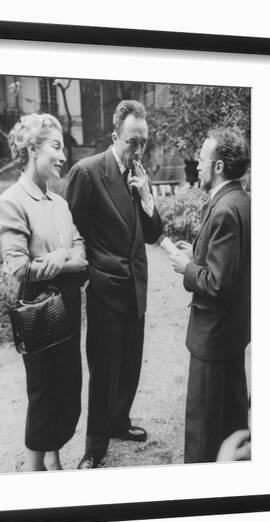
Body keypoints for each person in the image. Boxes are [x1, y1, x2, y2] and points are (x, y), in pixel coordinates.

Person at [66, 100, 162, 469]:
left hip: (136, 287)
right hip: (107, 290)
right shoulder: (88, 172)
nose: (138, 150)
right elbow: (72, 230)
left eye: (144, 142)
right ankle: (94, 446)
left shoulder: (139, 175)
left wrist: (147, 198)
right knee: (104, 369)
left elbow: (152, 234)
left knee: (130, 364)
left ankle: (119, 422)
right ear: (114, 136)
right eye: (132, 142)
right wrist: (92, 272)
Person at [0, 113, 88, 471]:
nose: (64, 155)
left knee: (67, 391)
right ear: (33, 148)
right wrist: (66, 260)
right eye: (57, 145)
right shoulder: (11, 201)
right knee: (44, 395)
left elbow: (82, 255)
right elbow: (18, 266)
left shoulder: (61, 203)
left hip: (67, 305)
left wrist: (61, 256)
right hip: (38, 309)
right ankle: (35, 476)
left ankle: (54, 457)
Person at [170, 127, 251, 463]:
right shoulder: (242, 201)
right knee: (232, 421)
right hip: (232, 336)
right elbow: (231, 267)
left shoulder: (223, 210)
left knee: (203, 433)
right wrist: (197, 254)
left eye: (202, 159)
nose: (197, 165)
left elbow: (218, 283)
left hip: (212, 339)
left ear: (218, 166)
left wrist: (187, 267)